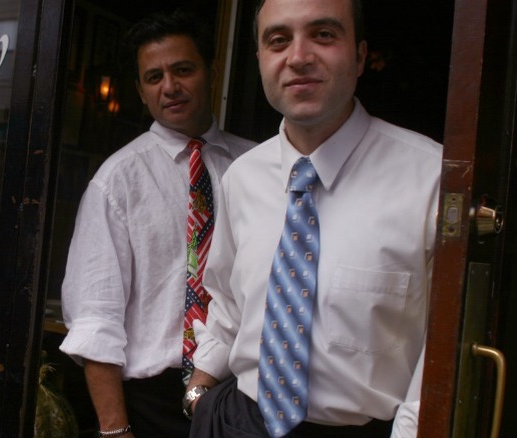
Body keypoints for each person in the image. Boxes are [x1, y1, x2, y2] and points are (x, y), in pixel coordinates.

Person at [184, 0, 442, 437]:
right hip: (237, 419)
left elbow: (442, 345)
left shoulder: (430, 178)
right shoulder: (242, 177)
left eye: (323, 35)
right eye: (278, 40)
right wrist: (199, 391)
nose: (298, 57)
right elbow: (227, 299)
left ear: (360, 56)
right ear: (261, 60)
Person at [58, 9, 254, 438]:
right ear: (140, 91)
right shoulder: (117, 181)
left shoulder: (259, 167)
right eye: (154, 77)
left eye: (183, 69)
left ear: (211, 72)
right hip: (155, 405)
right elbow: (95, 318)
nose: (170, 86)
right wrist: (114, 429)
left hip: (248, 395)